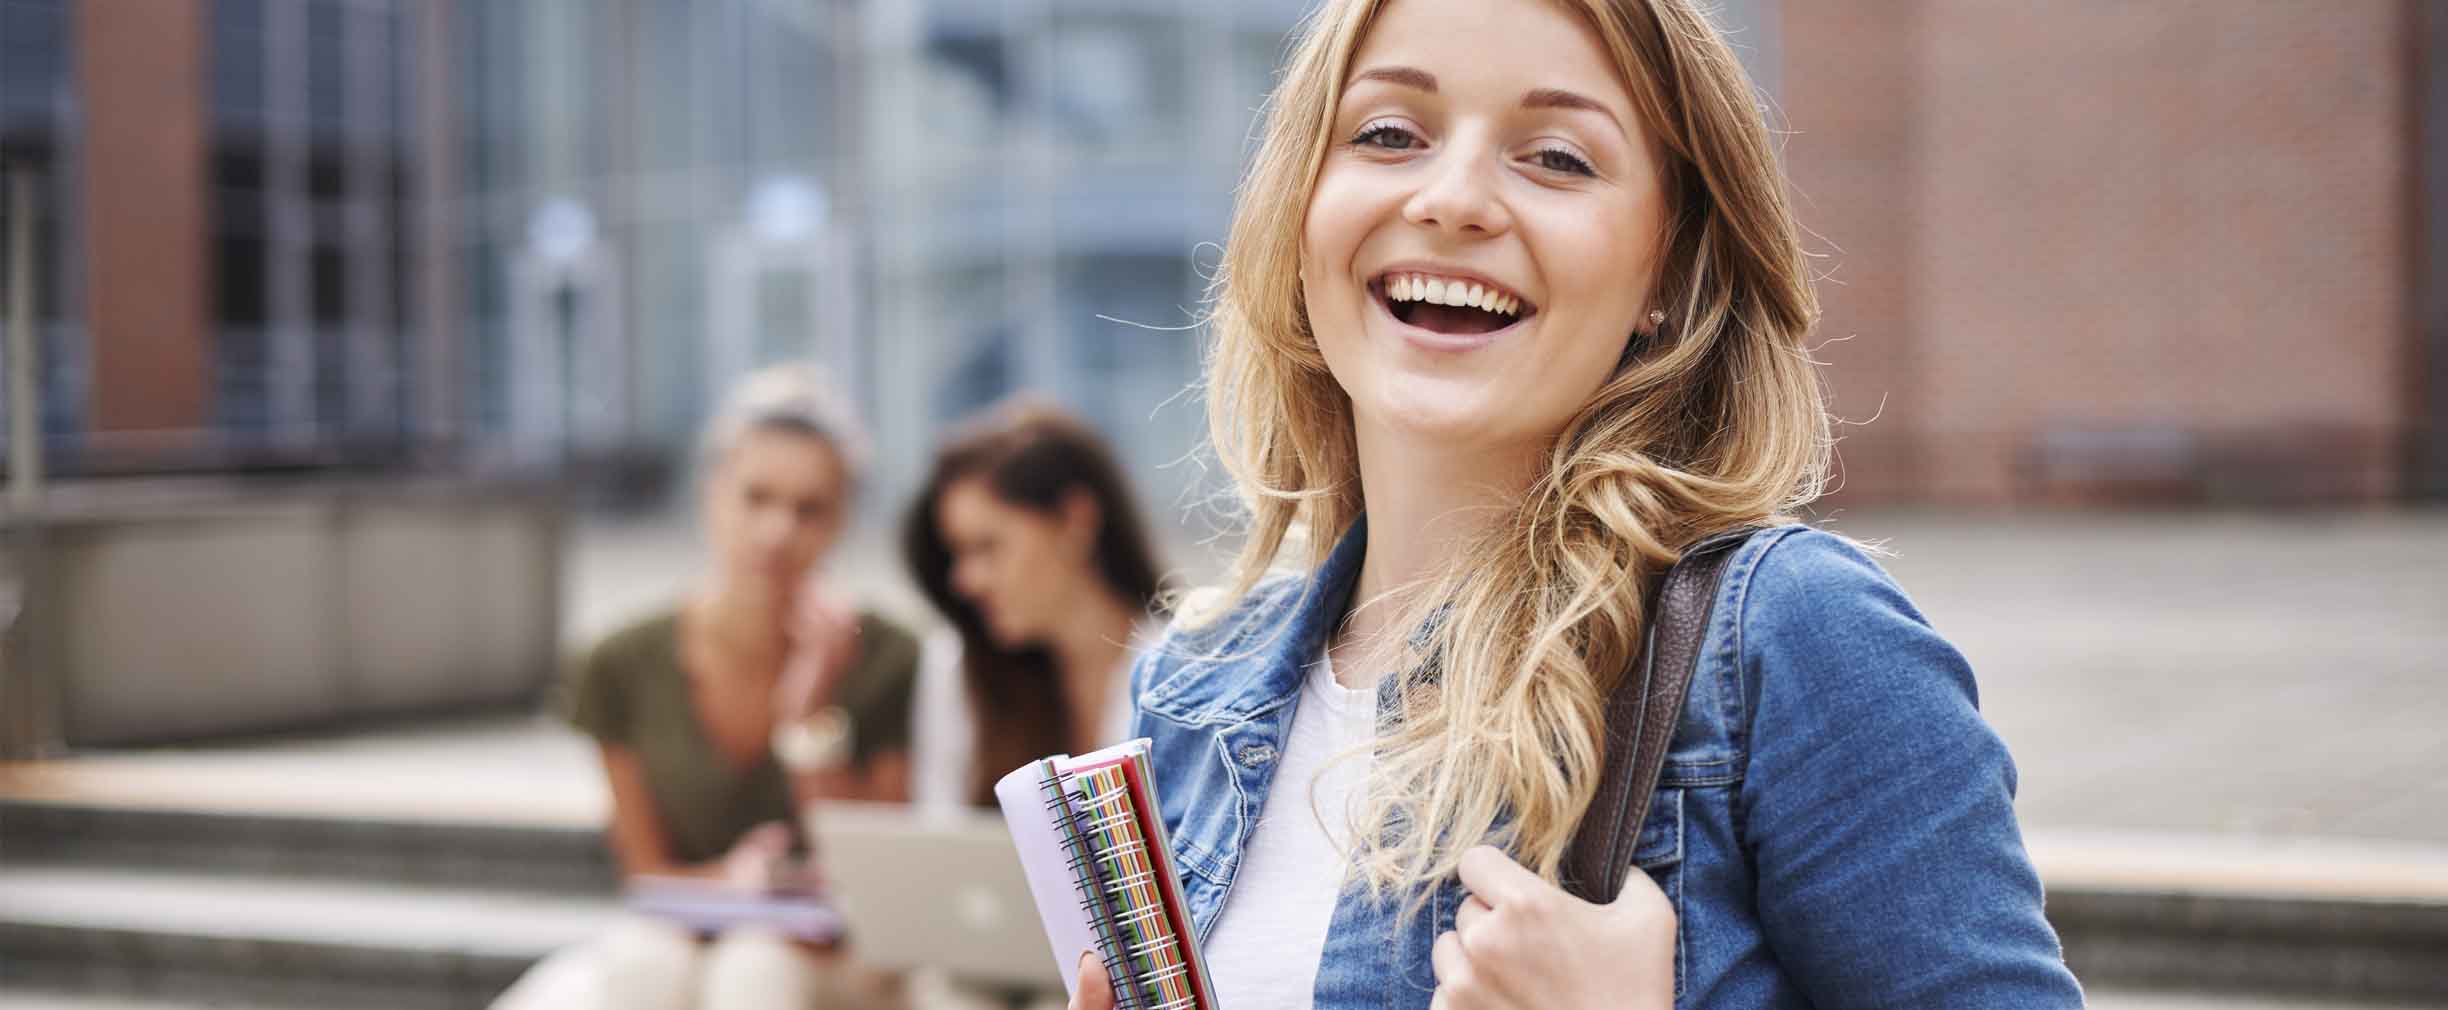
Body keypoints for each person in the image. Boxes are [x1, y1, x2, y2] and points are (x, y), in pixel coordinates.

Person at [1076, 2, 2088, 1009]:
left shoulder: (1787, 639)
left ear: (1668, 268)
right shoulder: (1187, 690)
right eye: (1389, 134)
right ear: (1301, 205)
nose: (1453, 198)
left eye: (1557, 157)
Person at [494, 363, 921, 1010]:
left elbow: (876, 875)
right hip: (688, 920)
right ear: (711, 496)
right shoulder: (620, 660)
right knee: (643, 969)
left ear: (840, 523)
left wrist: (808, 715)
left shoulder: (886, 655)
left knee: (755, 970)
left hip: (830, 948)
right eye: (757, 498)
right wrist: (733, 884)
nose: (778, 531)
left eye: (809, 509)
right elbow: (644, 869)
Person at [901, 398, 1167, 813]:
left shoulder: (1185, 674)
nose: (965, 581)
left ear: (1075, 521)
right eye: (958, 554)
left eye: (987, 547)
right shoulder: (959, 668)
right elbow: (939, 841)